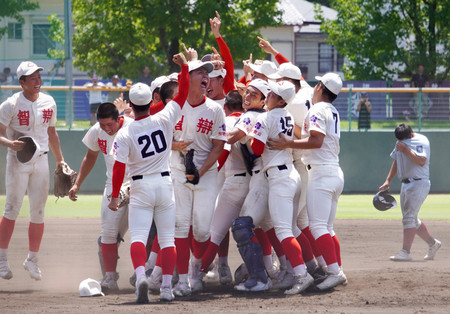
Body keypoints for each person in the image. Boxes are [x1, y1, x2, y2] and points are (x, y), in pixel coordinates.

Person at [108, 52, 189, 303]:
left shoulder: (125, 131)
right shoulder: (164, 117)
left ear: (130, 105)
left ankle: (141, 275)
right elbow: (183, 93)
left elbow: (119, 168)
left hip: (140, 185)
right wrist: (185, 67)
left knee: (140, 237)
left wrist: (113, 197)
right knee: (167, 239)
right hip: (165, 183)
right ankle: (166, 288)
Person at [267, 72, 347, 291]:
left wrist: (288, 144)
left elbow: (316, 141)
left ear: (320, 87)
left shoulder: (318, 109)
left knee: (318, 226)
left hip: (322, 173)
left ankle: (334, 272)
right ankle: (336, 268)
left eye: (317, 84)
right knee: (327, 228)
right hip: (332, 171)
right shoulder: (331, 109)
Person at [0, 61, 65, 281]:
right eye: (32, 78)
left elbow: (52, 133)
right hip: (18, 161)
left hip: (42, 161)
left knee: (38, 211)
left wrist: (60, 161)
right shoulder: (10, 104)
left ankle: (32, 260)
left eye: (39, 76)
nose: (37, 81)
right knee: (12, 208)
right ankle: (1, 259)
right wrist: (9, 143)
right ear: (22, 82)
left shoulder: (49, 101)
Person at [168, 49, 226, 297]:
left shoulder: (214, 109)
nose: (206, 77)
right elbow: (159, 138)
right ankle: (182, 280)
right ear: (187, 78)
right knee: (181, 226)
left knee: (202, 230)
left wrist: (200, 171)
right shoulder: (173, 108)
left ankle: (195, 266)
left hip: (206, 173)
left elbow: (219, 146)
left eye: (208, 74)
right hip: (178, 170)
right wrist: (173, 146)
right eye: (200, 72)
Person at [247, 80, 313, 295]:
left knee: (284, 230)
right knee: (291, 228)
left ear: (282, 100)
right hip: (290, 174)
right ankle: (296, 271)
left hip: (279, 178)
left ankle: (302, 274)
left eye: (273, 95)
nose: (268, 96)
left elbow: (256, 150)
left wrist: (252, 135)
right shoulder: (287, 116)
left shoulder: (266, 117)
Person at [68, 102, 133, 292]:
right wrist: (77, 183)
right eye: (102, 125)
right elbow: (90, 156)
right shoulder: (97, 131)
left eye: (109, 125)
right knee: (108, 233)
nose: (106, 129)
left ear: (118, 119)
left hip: (138, 184)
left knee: (145, 232)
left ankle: (145, 273)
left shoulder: (131, 128)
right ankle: (110, 277)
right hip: (113, 186)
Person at [378, 123, 441, 262]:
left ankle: (406, 252)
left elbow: (421, 161)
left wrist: (406, 149)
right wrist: (388, 180)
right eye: (399, 140)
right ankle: (433, 244)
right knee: (412, 219)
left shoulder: (421, 141)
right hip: (405, 184)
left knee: (408, 218)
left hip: (419, 183)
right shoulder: (400, 142)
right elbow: (396, 161)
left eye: (404, 140)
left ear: (411, 135)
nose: (401, 142)